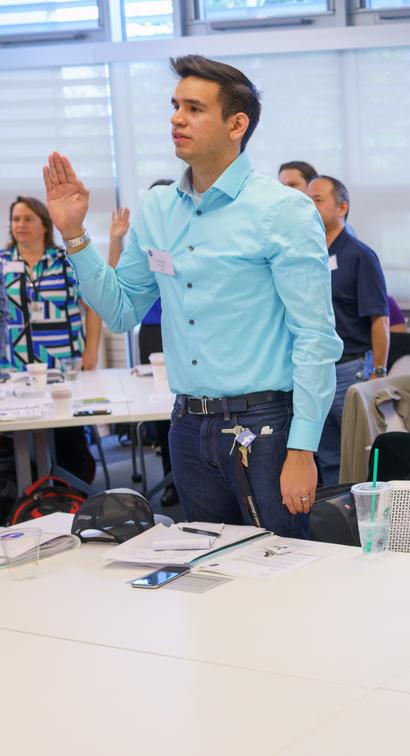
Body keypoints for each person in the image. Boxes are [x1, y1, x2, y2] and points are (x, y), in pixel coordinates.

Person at [43, 55, 342, 537]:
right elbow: (121, 311)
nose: (176, 119)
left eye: (194, 108)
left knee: (286, 565)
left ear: (236, 125)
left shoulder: (282, 210)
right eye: (175, 106)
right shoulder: (158, 207)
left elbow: (314, 337)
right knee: (210, 565)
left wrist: (303, 448)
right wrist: (75, 234)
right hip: (187, 425)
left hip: (266, 427)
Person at [3, 196, 102, 484]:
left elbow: (94, 308)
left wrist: (91, 352)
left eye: (27, 219)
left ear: (44, 225)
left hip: (63, 366)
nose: (20, 225)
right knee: (16, 442)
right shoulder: (3, 262)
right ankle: (29, 496)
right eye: (15, 219)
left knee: (67, 439)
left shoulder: (65, 261)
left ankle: (72, 493)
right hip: (15, 368)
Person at [308, 174, 389, 486]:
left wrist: (378, 372)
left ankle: (367, 514)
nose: (309, 206)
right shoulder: (307, 253)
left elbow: (379, 320)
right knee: (328, 456)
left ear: (342, 207)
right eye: (306, 200)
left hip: (351, 369)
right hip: (315, 371)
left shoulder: (359, 255)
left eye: (317, 200)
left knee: (360, 454)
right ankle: (336, 512)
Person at [108, 178, 179, 507]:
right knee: (160, 407)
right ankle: (170, 478)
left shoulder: (192, 236)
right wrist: (115, 239)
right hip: (153, 329)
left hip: (187, 327)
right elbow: (115, 283)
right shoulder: (147, 239)